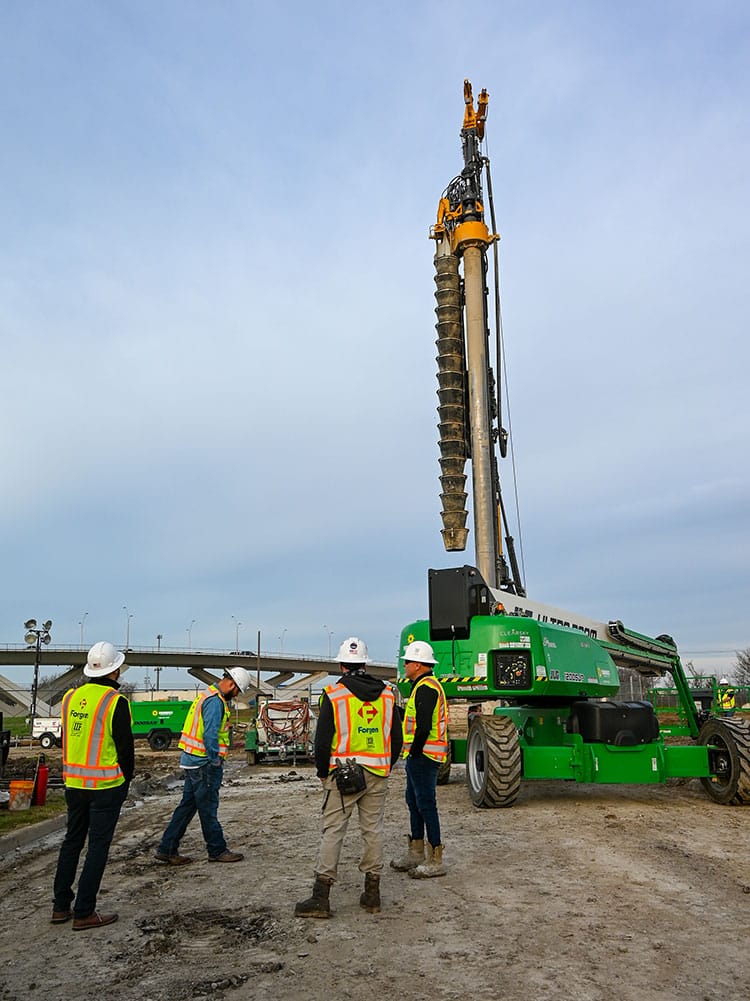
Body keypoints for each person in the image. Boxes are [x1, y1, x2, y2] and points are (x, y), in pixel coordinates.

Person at [295, 637, 402, 918]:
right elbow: (397, 738)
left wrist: (321, 772)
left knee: (333, 831)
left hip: (343, 774)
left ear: (341, 664)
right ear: (364, 662)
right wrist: (386, 765)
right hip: (378, 771)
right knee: (373, 831)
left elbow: (322, 740)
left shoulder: (333, 694)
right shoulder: (389, 694)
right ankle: (372, 894)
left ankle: (321, 897)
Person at [51, 641, 134, 930]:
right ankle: (84, 911)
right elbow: (125, 751)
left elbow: (67, 740)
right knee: (97, 847)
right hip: (105, 787)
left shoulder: (70, 699)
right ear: (116, 670)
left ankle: (60, 906)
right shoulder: (115, 702)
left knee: (71, 842)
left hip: (73, 784)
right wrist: (126, 782)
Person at [155, 667, 252, 864]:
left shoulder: (206, 695)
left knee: (187, 807)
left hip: (192, 761)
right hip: (204, 763)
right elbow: (210, 735)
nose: (236, 696)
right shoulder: (215, 702)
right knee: (208, 809)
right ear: (232, 685)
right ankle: (217, 849)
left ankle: (167, 848)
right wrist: (215, 759)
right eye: (237, 692)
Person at [391, 639, 448, 879]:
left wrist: (414, 751)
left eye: (407, 661)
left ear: (417, 664)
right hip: (421, 755)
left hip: (425, 756)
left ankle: (435, 857)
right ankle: (416, 850)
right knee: (413, 801)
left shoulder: (426, 688)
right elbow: (415, 720)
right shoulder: (422, 687)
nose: (404, 665)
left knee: (425, 803)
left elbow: (424, 726)